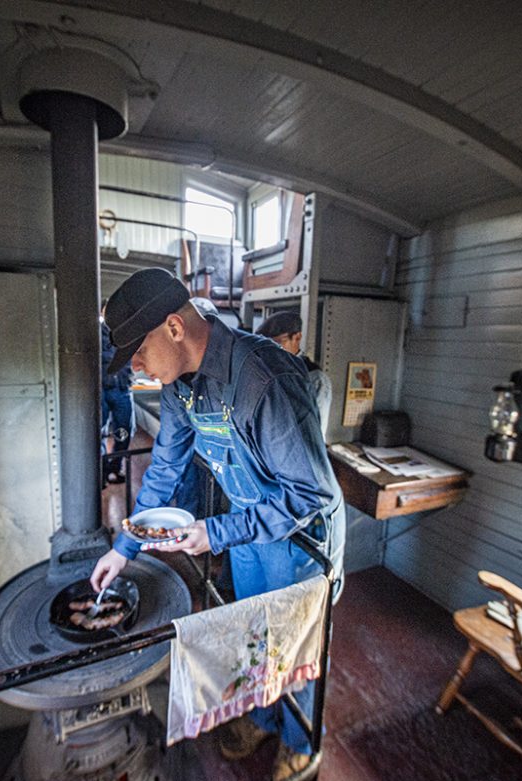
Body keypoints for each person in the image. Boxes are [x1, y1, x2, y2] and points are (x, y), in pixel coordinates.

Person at [90, 268, 344, 781]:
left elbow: (309, 494)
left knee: (293, 647)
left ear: (174, 328)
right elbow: (164, 469)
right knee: (255, 636)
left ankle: (302, 742)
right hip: (249, 533)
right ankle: (263, 717)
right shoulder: (182, 387)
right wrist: (124, 548)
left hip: (300, 543)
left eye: (138, 352)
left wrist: (217, 533)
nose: (134, 368)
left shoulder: (265, 381)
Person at [256, 311, 332, 437]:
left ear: (297, 338)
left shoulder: (315, 379)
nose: (272, 351)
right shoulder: (266, 371)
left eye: (278, 343)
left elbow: (315, 435)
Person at [100, 299, 135, 484]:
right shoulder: (95, 334)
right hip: (102, 391)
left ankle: (115, 467)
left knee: (124, 431)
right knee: (100, 432)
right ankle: (102, 473)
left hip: (122, 390)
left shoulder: (128, 333)